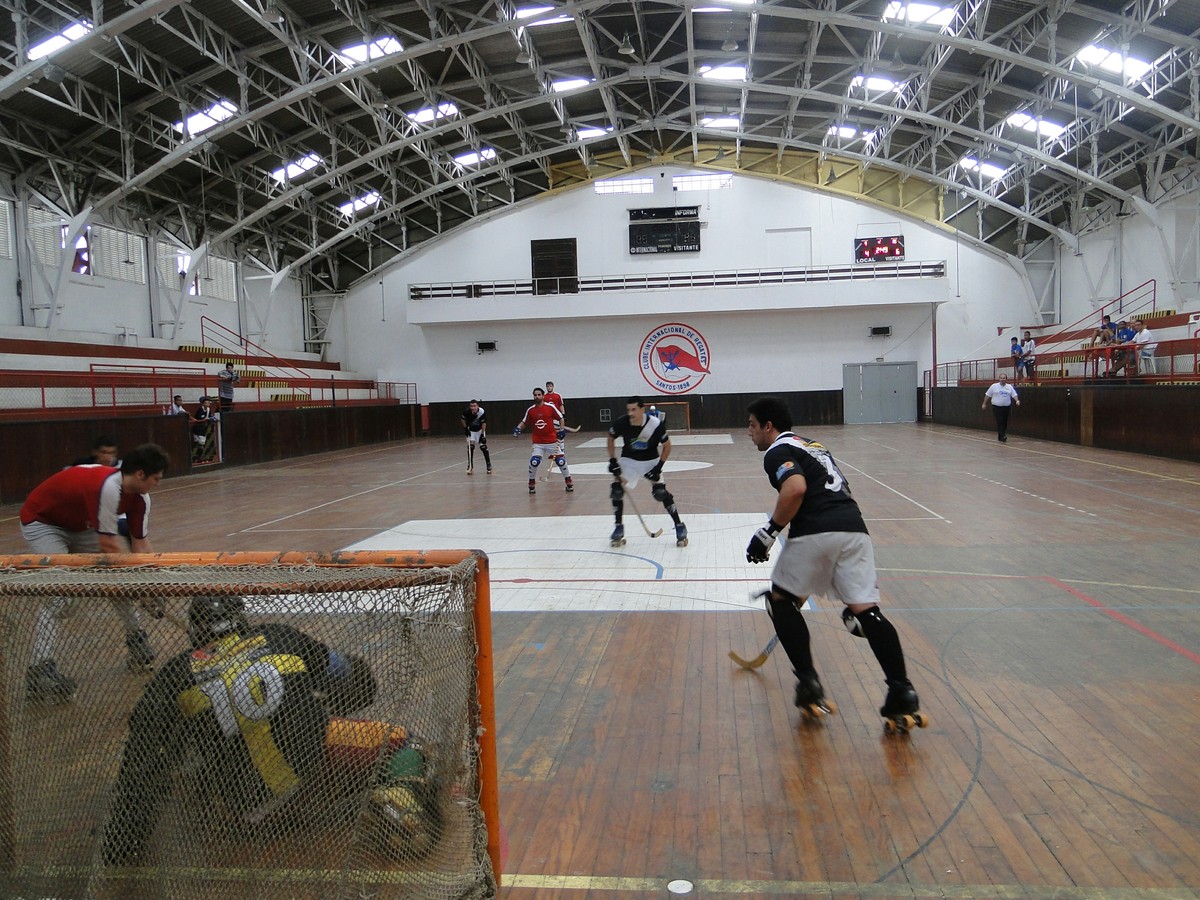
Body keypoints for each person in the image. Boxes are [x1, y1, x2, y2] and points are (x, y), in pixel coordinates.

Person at [101, 594, 377, 866]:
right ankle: (401, 807)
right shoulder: (280, 636)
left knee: (180, 736)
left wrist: (122, 841)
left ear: (197, 629)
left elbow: (138, 761)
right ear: (241, 619)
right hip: (310, 783)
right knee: (401, 743)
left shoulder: (174, 674)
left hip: (236, 809)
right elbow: (359, 682)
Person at [743, 397, 921, 725]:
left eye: (752, 426)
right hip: (854, 529)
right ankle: (902, 691)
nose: (749, 433)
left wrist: (769, 533)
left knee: (781, 603)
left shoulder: (777, 452)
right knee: (867, 612)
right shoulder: (813, 446)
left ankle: (809, 683)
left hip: (816, 530)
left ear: (769, 426)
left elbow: (795, 489)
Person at [19, 443, 170, 702]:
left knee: (117, 577)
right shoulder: (109, 488)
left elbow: (140, 545)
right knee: (60, 596)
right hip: (44, 522)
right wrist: (140, 589)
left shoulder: (141, 499)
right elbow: (110, 546)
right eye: (156, 479)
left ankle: (137, 640)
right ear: (140, 474)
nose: (158, 484)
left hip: (81, 526)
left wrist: (149, 583)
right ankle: (39, 668)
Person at [606, 396, 687, 547]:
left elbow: (667, 446)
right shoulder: (622, 422)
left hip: (650, 460)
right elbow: (610, 437)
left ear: (642, 409)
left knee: (660, 493)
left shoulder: (655, 425)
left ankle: (679, 525)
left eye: (634, 409)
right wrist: (613, 461)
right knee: (616, 490)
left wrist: (658, 468)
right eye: (629, 410)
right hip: (629, 460)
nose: (631, 413)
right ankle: (618, 527)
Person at [513, 387, 573, 494]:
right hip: (538, 443)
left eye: (539, 395)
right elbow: (524, 422)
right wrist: (518, 428)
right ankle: (531, 483)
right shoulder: (531, 410)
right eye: (535, 395)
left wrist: (562, 430)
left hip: (552, 441)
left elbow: (560, 418)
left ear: (543, 396)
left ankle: (568, 481)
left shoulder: (550, 407)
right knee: (534, 461)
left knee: (561, 461)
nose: (537, 397)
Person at [982, 373, 1020, 442]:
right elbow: (987, 395)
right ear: (999, 379)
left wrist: (1017, 400)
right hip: (997, 407)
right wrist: (984, 403)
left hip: (1006, 407)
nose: (1002, 379)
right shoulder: (994, 386)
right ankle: (1002, 436)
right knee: (1000, 421)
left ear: (1006, 379)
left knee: (1004, 422)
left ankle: (1001, 436)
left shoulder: (1009, 387)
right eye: (1001, 378)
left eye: (1004, 378)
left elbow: (1014, 394)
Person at [460, 399, 492, 475]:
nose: (473, 408)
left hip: (480, 430)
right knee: (470, 447)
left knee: (483, 447)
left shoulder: (481, 412)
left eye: (474, 406)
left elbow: (484, 423)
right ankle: (470, 466)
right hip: (471, 430)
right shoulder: (467, 412)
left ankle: (488, 464)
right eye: (471, 406)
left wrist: (482, 434)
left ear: (477, 406)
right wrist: (465, 428)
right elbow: (462, 419)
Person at [543, 381, 568, 454]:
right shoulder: (544, 397)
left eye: (550, 386)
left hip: (557, 417)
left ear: (553, 387)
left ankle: (562, 449)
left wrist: (563, 414)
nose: (549, 387)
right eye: (548, 386)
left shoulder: (557, 396)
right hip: (549, 418)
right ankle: (554, 451)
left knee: (560, 433)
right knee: (551, 434)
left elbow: (561, 405)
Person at [192, 396, 217, 461]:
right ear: (203, 404)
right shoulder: (200, 410)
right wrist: (207, 418)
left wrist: (212, 418)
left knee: (203, 442)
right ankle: (197, 457)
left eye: (208, 402)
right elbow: (200, 418)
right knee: (199, 442)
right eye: (206, 402)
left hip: (204, 428)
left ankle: (202, 457)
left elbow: (210, 416)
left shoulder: (208, 409)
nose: (208, 404)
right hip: (198, 428)